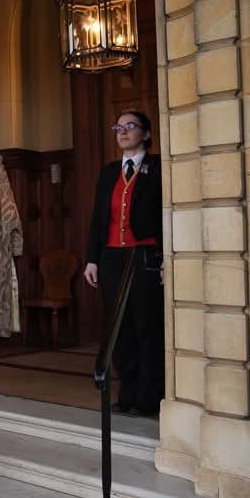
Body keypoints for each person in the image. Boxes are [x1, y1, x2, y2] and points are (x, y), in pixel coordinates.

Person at [83, 110, 164, 417]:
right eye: (118, 127)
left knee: (146, 325)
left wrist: (166, 258)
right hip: (111, 259)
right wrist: (92, 259)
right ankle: (127, 393)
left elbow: (166, 213)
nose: (124, 131)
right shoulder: (108, 172)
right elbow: (98, 218)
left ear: (146, 134)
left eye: (131, 126)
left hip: (145, 256)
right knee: (120, 329)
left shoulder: (159, 167)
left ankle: (149, 397)